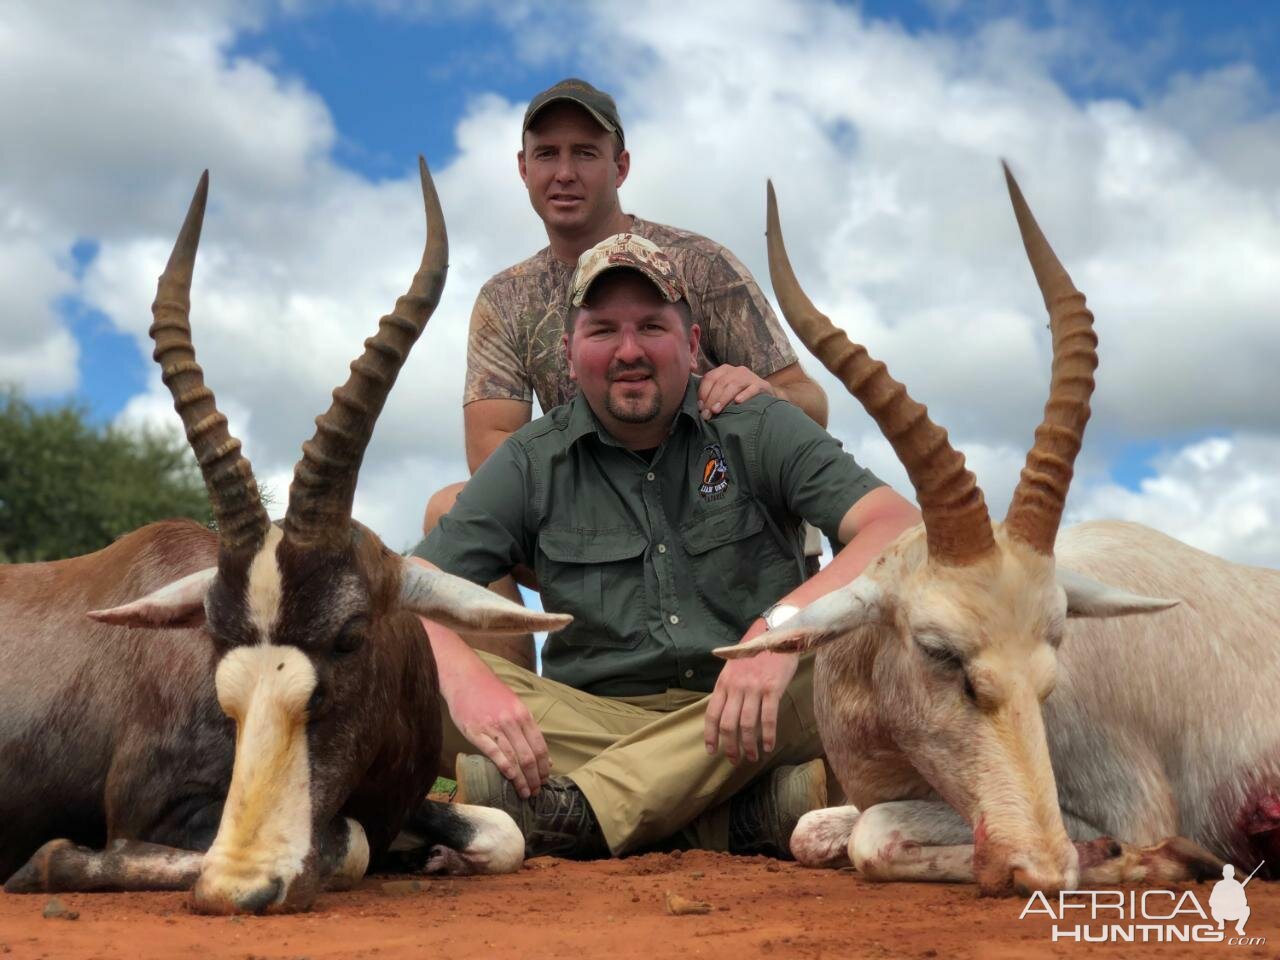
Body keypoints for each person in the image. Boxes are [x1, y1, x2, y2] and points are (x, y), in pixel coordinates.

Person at [410, 234, 920, 859]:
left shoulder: (759, 422)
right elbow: (401, 588)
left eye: (652, 326)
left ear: (693, 344)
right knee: (399, 668)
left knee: (859, 649)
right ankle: (742, 817)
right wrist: (467, 682)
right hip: (591, 722)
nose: (629, 351)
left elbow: (898, 526)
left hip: (755, 709)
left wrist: (780, 635)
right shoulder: (528, 459)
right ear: (570, 355)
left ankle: (577, 815)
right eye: (602, 331)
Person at [422, 77, 829, 671]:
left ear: (621, 165)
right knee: (446, 510)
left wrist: (763, 390)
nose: (564, 173)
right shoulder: (504, 299)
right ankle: (516, 727)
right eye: (547, 154)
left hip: (720, 518)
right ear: (523, 167)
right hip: (585, 527)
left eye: (585, 153)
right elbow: (489, 451)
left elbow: (809, 401)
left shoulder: (700, 263)